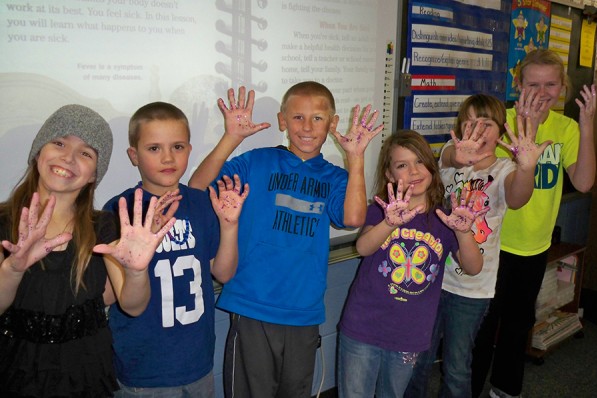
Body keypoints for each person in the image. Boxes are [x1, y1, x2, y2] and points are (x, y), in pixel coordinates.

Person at [188, 81, 383, 398]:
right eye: (297, 118)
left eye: (318, 118)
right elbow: (198, 187)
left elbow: (353, 218)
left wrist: (357, 158)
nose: (307, 127)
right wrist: (232, 138)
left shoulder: (336, 177)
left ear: (333, 124)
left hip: (303, 310)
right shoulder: (257, 162)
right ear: (282, 121)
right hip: (252, 304)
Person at [0, 104, 175, 397]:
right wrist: (13, 269)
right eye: (59, 142)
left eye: (86, 153)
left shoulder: (104, 226)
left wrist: (136, 271)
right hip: (16, 370)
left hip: (86, 373)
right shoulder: (4, 221)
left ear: (95, 173)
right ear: (38, 153)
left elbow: (133, 305)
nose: (68, 158)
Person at [471, 49, 596, 398]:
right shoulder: (499, 123)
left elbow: (584, 182)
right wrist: (527, 127)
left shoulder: (566, 128)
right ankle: (464, 389)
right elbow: (487, 182)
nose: (542, 92)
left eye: (551, 84)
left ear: (564, 87)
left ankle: (505, 390)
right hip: (491, 245)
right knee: (481, 329)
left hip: (534, 246)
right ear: (517, 84)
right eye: (533, 84)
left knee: (517, 326)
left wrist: (587, 125)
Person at [405, 94, 548, 398]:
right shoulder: (449, 155)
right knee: (417, 359)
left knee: (457, 366)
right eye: (469, 123)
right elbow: (447, 158)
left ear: (501, 132)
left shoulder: (504, 171)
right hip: (429, 279)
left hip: (472, 288)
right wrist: (460, 157)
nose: (477, 131)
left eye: (486, 124)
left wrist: (526, 168)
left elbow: (518, 197)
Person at [103, 102, 248, 397]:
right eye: (154, 148)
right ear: (134, 156)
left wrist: (230, 226)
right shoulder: (120, 210)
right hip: (143, 367)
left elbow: (223, 273)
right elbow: (111, 294)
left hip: (197, 360)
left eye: (178, 147)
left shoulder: (202, 204)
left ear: (190, 150)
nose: (168, 157)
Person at [337, 130, 487, 398]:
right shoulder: (381, 209)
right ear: (390, 175)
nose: (414, 171)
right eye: (402, 165)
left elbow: (474, 267)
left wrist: (464, 233)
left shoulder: (446, 218)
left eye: (420, 161)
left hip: (409, 335)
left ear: (431, 166)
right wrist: (389, 223)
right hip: (362, 327)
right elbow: (363, 247)